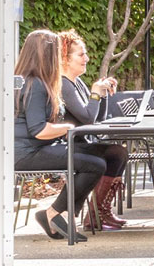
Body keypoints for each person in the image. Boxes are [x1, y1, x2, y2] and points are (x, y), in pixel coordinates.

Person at [13, 28, 107, 243]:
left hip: (33, 148)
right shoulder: (35, 84)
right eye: (56, 51)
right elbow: (39, 130)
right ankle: (54, 214)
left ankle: (59, 215)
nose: (59, 57)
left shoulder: (28, 80)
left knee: (99, 156)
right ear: (47, 54)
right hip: (27, 153)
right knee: (95, 165)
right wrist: (68, 128)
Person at [56, 30, 130, 231]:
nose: (86, 59)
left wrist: (102, 94)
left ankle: (98, 212)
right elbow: (87, 117)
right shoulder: (63, 84)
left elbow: (97, 118)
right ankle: (96, 213)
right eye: (81, 55)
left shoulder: (76, 82)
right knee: (116, 153)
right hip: (69, 145)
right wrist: (95, 93)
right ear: (65, 58)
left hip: (82, 142)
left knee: (119, 153)